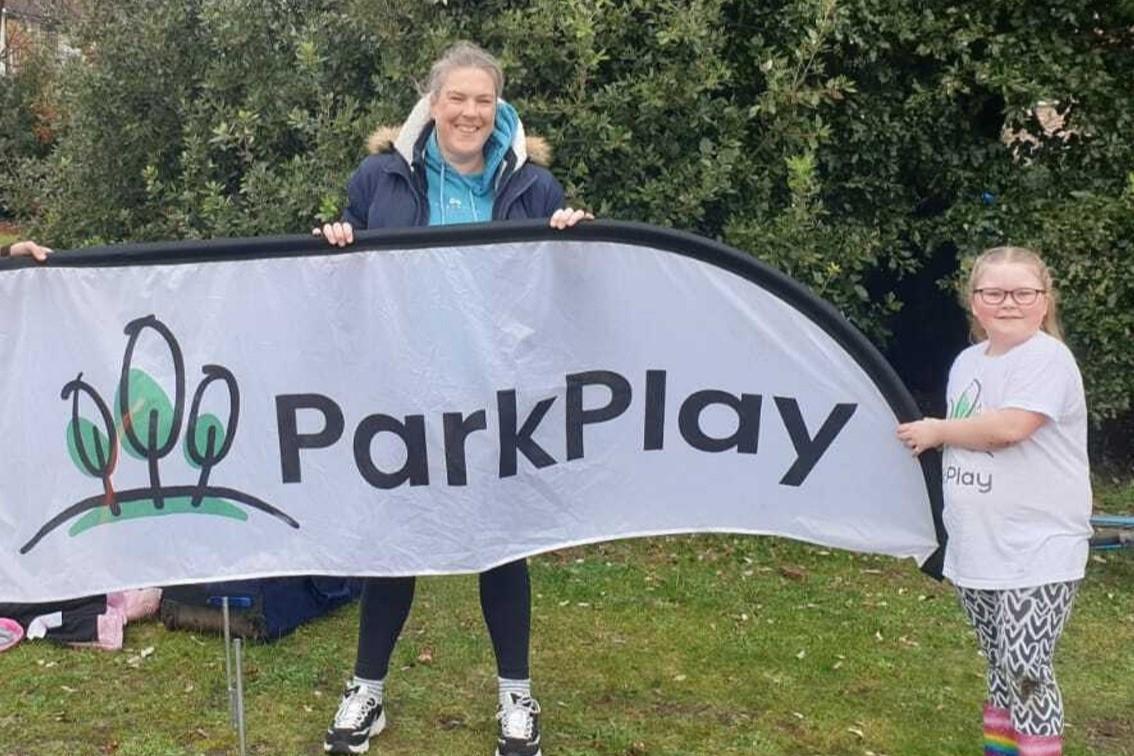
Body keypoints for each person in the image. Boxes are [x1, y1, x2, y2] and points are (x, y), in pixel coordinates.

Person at [316, 41, 589, 756]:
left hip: (494, 392)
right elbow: (346, 283)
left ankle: (516, 700)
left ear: (498, 108)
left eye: (483, 100)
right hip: (402, 391)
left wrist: (573, 243)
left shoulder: (536, 188)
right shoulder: (380, 177)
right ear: (432, 103)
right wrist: (338, 240)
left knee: (504, 548)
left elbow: (557, 294)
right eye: (457, 97)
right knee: (393, 546)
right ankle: (367, 692)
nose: (469, 111)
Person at [896, 246, 1091, 756]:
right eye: (994, 293)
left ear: (1044, 302)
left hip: (1039, 544)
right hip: (977, 546)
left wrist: (937, 430)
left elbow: (1009, 428)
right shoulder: (966, 363)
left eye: (1023, 293)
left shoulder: (1048, 358)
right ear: (975, 303)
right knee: (1001, 664)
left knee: (1027, 666)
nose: (1009, 303)